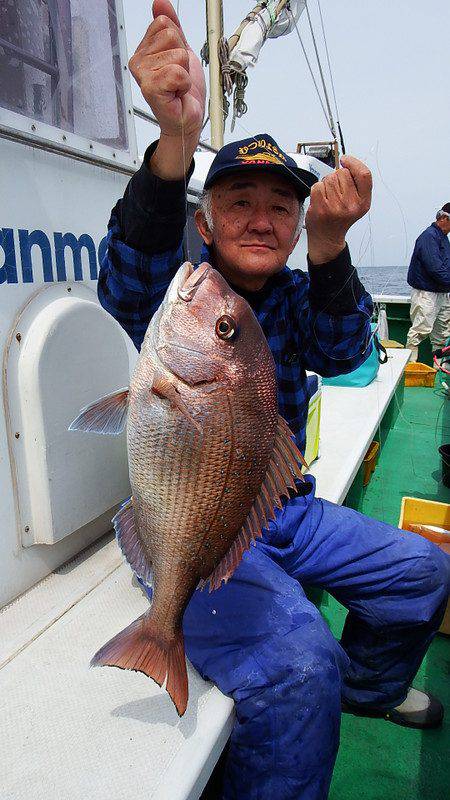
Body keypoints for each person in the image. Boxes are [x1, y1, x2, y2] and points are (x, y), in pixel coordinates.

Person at [98, 3, 450, 798]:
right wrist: (176, 146)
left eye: (281, 207)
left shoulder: (296, 294)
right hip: (203, 519)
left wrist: (331, 254)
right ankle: (285, 696)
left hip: (288, 508)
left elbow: (348, 350)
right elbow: (126, 281)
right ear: (207, 219)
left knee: (422, 575)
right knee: (300, 664)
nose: (262, 218)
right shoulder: (178, 295)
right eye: (239, 202)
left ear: (297, 224)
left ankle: (369, 691)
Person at [405, 203, 450, 361]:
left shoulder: (443, 238)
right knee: (419, 331)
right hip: (427, 294)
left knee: (442, 336)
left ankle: (440, 375)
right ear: (444, 218)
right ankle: (410, 369)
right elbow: (435, 268)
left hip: (442, 293)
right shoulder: (429, 236)